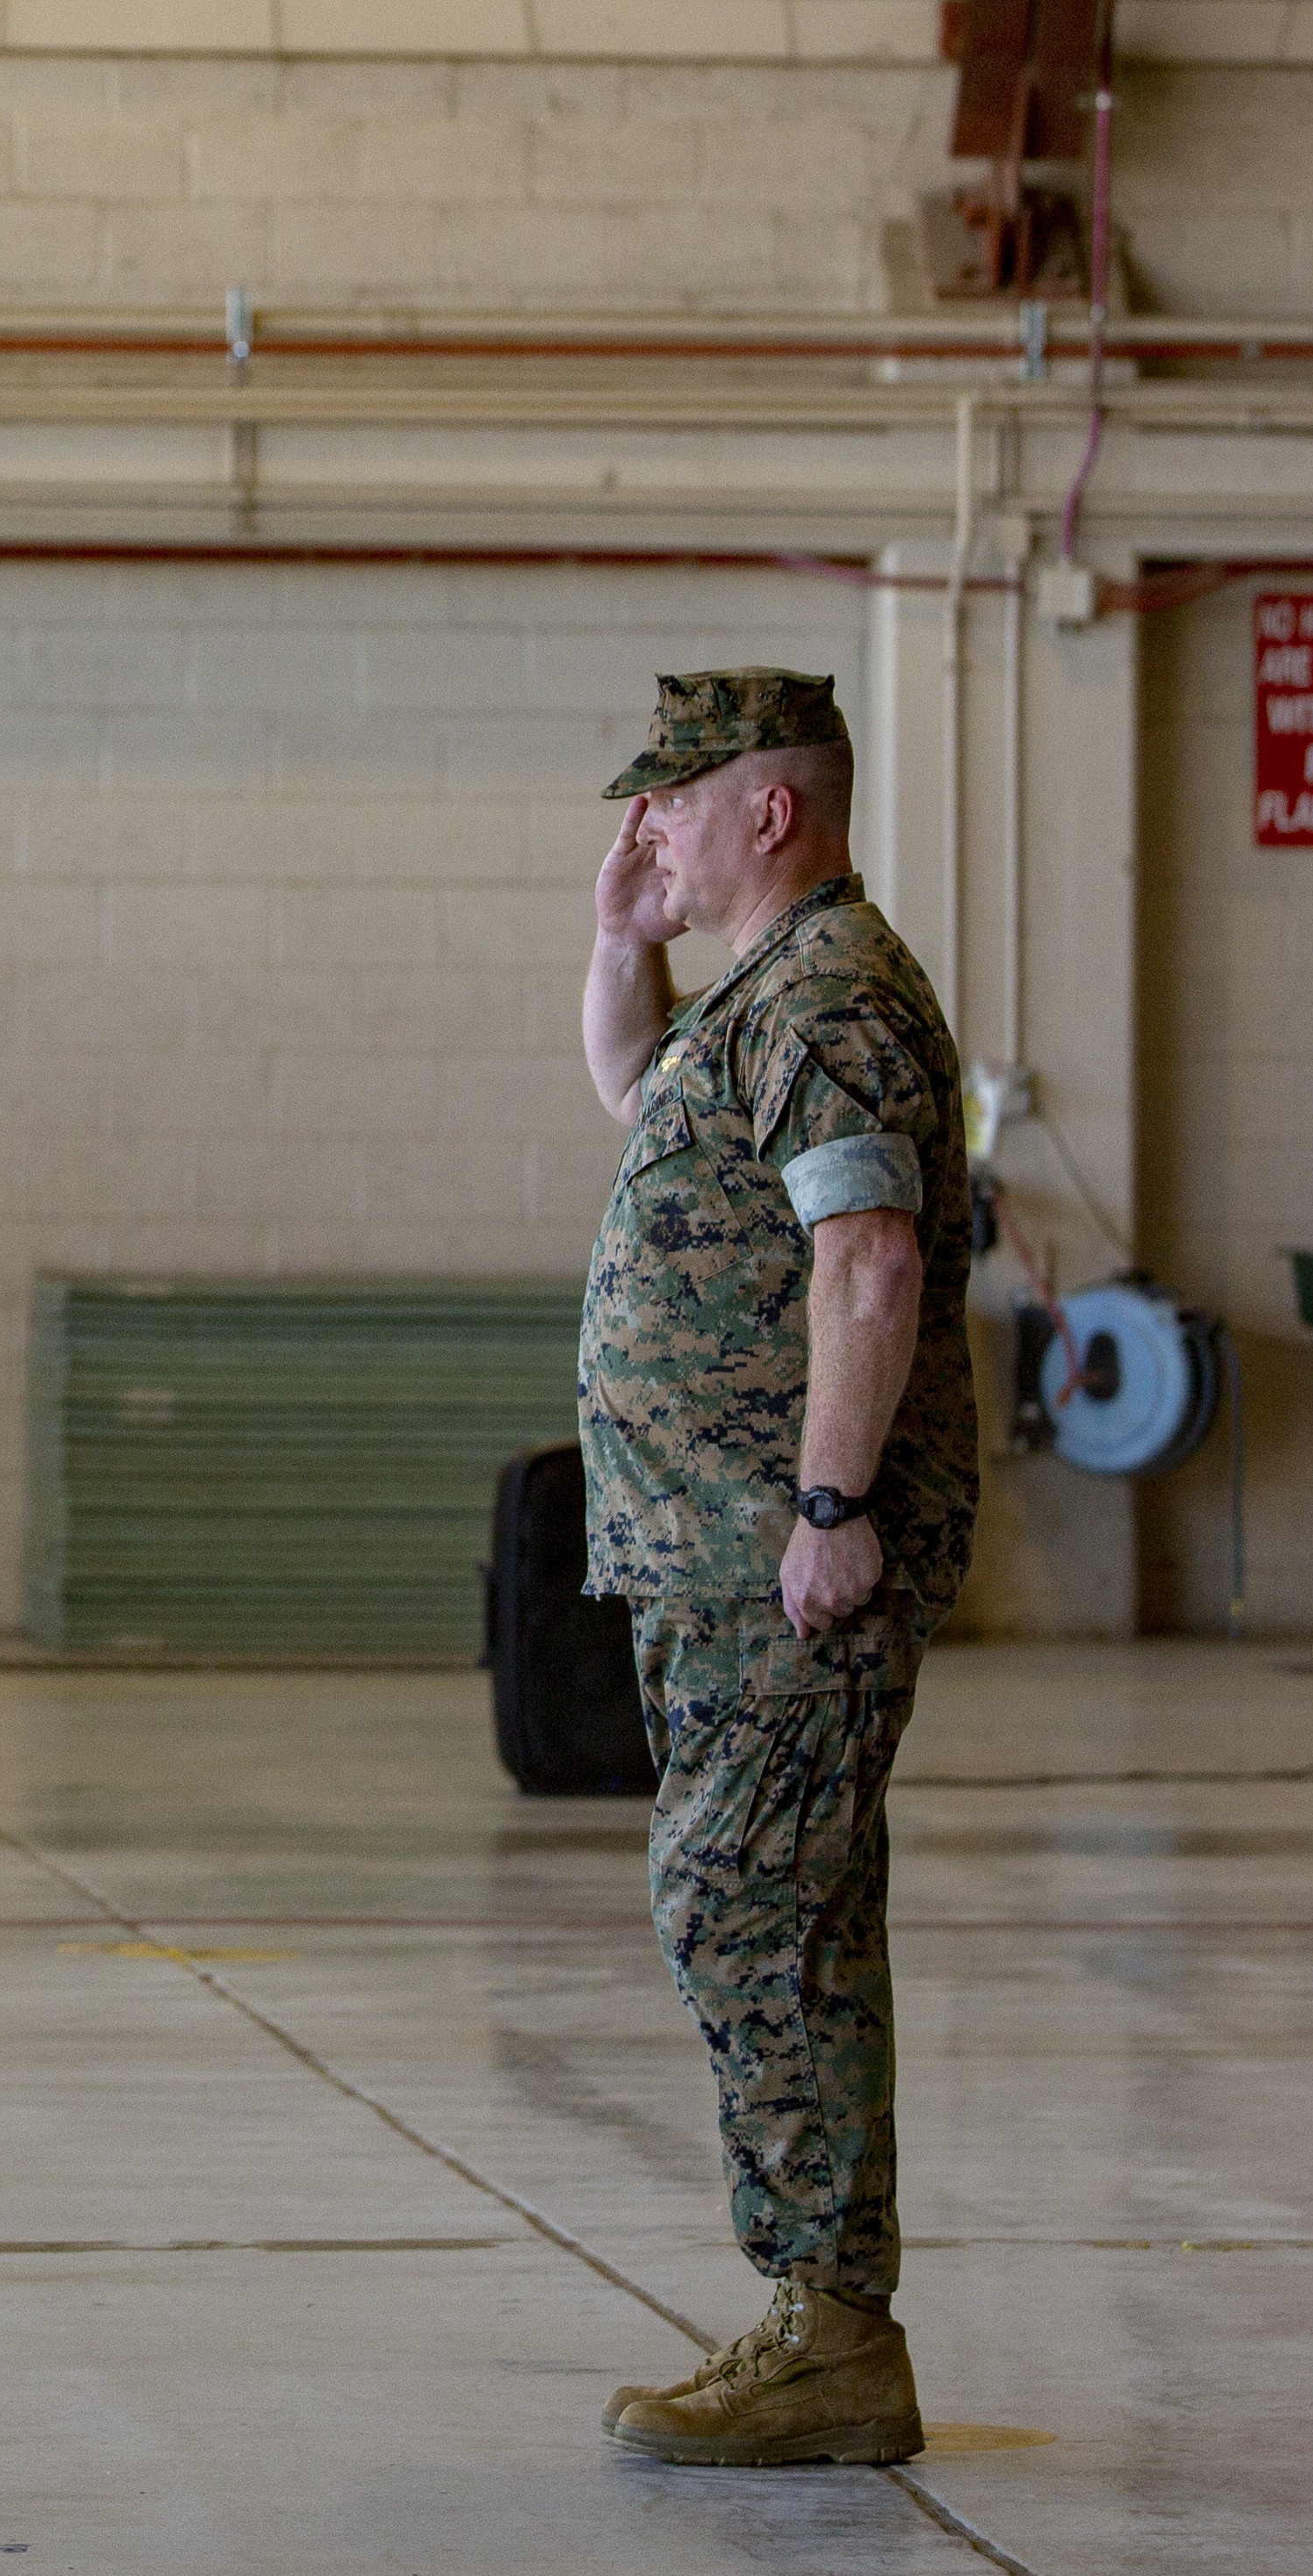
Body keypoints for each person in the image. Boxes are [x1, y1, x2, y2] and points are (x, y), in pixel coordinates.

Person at [575, 669, 978, 2468]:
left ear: (773, 811)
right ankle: (830, 2318)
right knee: (782, 1909)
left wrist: (828, 1510)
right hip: (720, 1562)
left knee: (744, 1906)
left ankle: (831, 2327)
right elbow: (631, 1102)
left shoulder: (828, 992)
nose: (643, 823)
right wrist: (619, 940)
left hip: (784, 1559)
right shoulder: (753, 991)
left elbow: (870, 1260)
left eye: (673, 798)